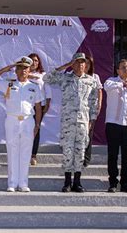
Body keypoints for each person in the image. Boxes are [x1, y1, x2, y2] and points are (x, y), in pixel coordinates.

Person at [0, 56, 43, 192]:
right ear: (16, 70)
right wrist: (6, 69)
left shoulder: (34, 87)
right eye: (20, 68)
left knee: (26, 152)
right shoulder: (9, 84)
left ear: (29, 70)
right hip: (12, 120)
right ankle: (12, 183)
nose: (23, 71)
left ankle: (23, 183)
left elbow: (39, 107)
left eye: (26, 68)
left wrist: (37, 125)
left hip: (28, 120)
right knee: (12, 151)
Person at [44, 52, 98, 193]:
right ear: (73, 64)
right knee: (68, 152)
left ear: (86, 65)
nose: (80, 65)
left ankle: (77, 182)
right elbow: (47, 78)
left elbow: (93, 103)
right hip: (68, 122)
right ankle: (67, 182)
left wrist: (91, 121)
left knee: (80, 153)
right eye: (77, 62)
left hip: (83, 122)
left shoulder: (91, 81)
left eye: (82, 62)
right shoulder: (65, 78)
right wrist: (65, 66)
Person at [104, 59, 127, 193]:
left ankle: (125, 183)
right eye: (123, 68)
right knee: (112, 154)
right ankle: (113, 182)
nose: (126, 70)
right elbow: (106, 88)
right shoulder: (111, 81)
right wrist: (122, 85)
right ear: (118, 70)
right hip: (113, 123)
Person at [27, 53, 52, 166]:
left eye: (36, 60)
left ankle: (33, 155)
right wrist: (28, 76)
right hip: (25, 106)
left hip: (39, 106)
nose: (34, 62)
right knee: (24, 130)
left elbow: (48, 90)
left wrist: (47, 103)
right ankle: (24, 154)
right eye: (32, 60)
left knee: (36, 129)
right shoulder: (21, 73)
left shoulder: (43, 75)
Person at [83, 55, 103, 167]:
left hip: (91, 110)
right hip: (79, 110)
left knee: (88, 132)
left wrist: (99, 104)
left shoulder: (95, 77)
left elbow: (99, 91)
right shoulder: (76, 76)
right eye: (84, 63)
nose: (86, 66)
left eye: (88, 63)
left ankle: (86, 158)